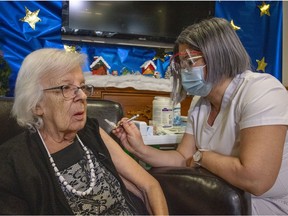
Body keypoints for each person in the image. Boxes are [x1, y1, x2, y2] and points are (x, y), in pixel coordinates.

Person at [113, 17, 288, 215]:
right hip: (220, 200)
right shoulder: (201, 102)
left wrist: (202, 157)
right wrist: (140, 149)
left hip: (268, 207)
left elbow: (256, 180)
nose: (184, 70)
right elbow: (182, 158)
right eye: (180, 62)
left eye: (190, 61)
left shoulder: (261, 90)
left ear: (218, 56)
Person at [0, 48, 168, 215]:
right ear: (36, 105)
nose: (82, 96)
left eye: (82, 86)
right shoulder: (13, 164)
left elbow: (150, 186)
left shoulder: (91, 131)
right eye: (66, 87)